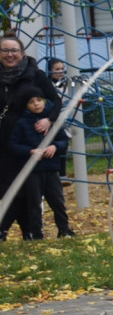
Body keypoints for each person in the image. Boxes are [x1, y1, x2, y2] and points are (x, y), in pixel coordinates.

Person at [1, 33, 61, 241]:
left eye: (14, 50)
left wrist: (49, 120)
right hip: (4, 139)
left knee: (26, 187)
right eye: (5, 50)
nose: (10, 54)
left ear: (22, 53)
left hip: (29, 137)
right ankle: (26, 230)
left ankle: (24, 230)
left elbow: (55, 100)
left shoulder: (34, 74)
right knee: (7, 186)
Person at [6, 87, 72, 239]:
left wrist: (55, 147)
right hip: (32, 171)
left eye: (39, 100)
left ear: (44, 101)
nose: (36, 104)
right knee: (34, 203)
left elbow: (63, 141)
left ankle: (64, 229)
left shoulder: (52, 122)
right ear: (26, 105)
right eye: (31, 102)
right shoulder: (22, 123)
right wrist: (30, 151)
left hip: (51, 169)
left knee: (57, 201)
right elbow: (13, 145)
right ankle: (36, 233)